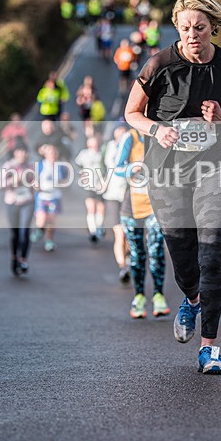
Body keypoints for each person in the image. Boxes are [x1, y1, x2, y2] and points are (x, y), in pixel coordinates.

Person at [125, 0, 221, 375]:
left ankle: (210, 348)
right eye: (185, 27)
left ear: (212, 27)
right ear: (177, 28)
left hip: (215, 167)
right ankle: (192, 298)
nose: (191, 34)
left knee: (212, 251)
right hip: (167, 170)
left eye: (199, 27)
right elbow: (131, 112)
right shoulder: (159, 65)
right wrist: (155, 130)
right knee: (183, 252)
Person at [115, 126, 170, 319]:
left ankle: (158, 295)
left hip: (156, 205)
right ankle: (138, 296)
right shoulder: (129, 137)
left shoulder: (163, 134)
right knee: (137, 253)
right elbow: (117, 168)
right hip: (132, 206)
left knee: (155, 249)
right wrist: (134, 167)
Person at [0, 143, 35, 275]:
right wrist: (15, 179)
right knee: (14, 233)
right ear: (15, 153)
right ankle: (14, 258)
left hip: (27, 201)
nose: (22, 154)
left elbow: (35, 183)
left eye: (24, 152)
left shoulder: (30, 166)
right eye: (19, 151)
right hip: (12, 202)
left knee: (24, 231)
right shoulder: (8, 166)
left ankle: (24, 259)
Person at [102, 123, 130, 284]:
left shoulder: (131, 145)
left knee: (128, 234)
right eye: (118, 130)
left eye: (123, 130)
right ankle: (123, 267)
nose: (120, 133)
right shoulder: (109, 147)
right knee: (119, 233)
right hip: (112, 194)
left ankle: (127, 259)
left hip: (128, 193)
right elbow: (103, 167)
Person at [34, 144, 68, 252]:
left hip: (54, 196)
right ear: (45, 155)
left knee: (51, 220)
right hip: (43, 196)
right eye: (50, 153)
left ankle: (49, 241)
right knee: (42, 219)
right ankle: (39, 230)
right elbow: (34, 179)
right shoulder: (40, 165)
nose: (52, 155)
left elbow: (65, 179)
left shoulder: (60, 166)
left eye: (54, 153)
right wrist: (36, 185)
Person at [75, 135, 106, 243]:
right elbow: (78, 165)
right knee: (91, 207)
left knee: (101, 208)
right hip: (89, 184)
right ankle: (93, 231)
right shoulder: (84, 154)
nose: (94, 145)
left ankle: (99, 227)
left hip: (101, 184)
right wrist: (82, 175)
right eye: (92, 142)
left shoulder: (102, 153)